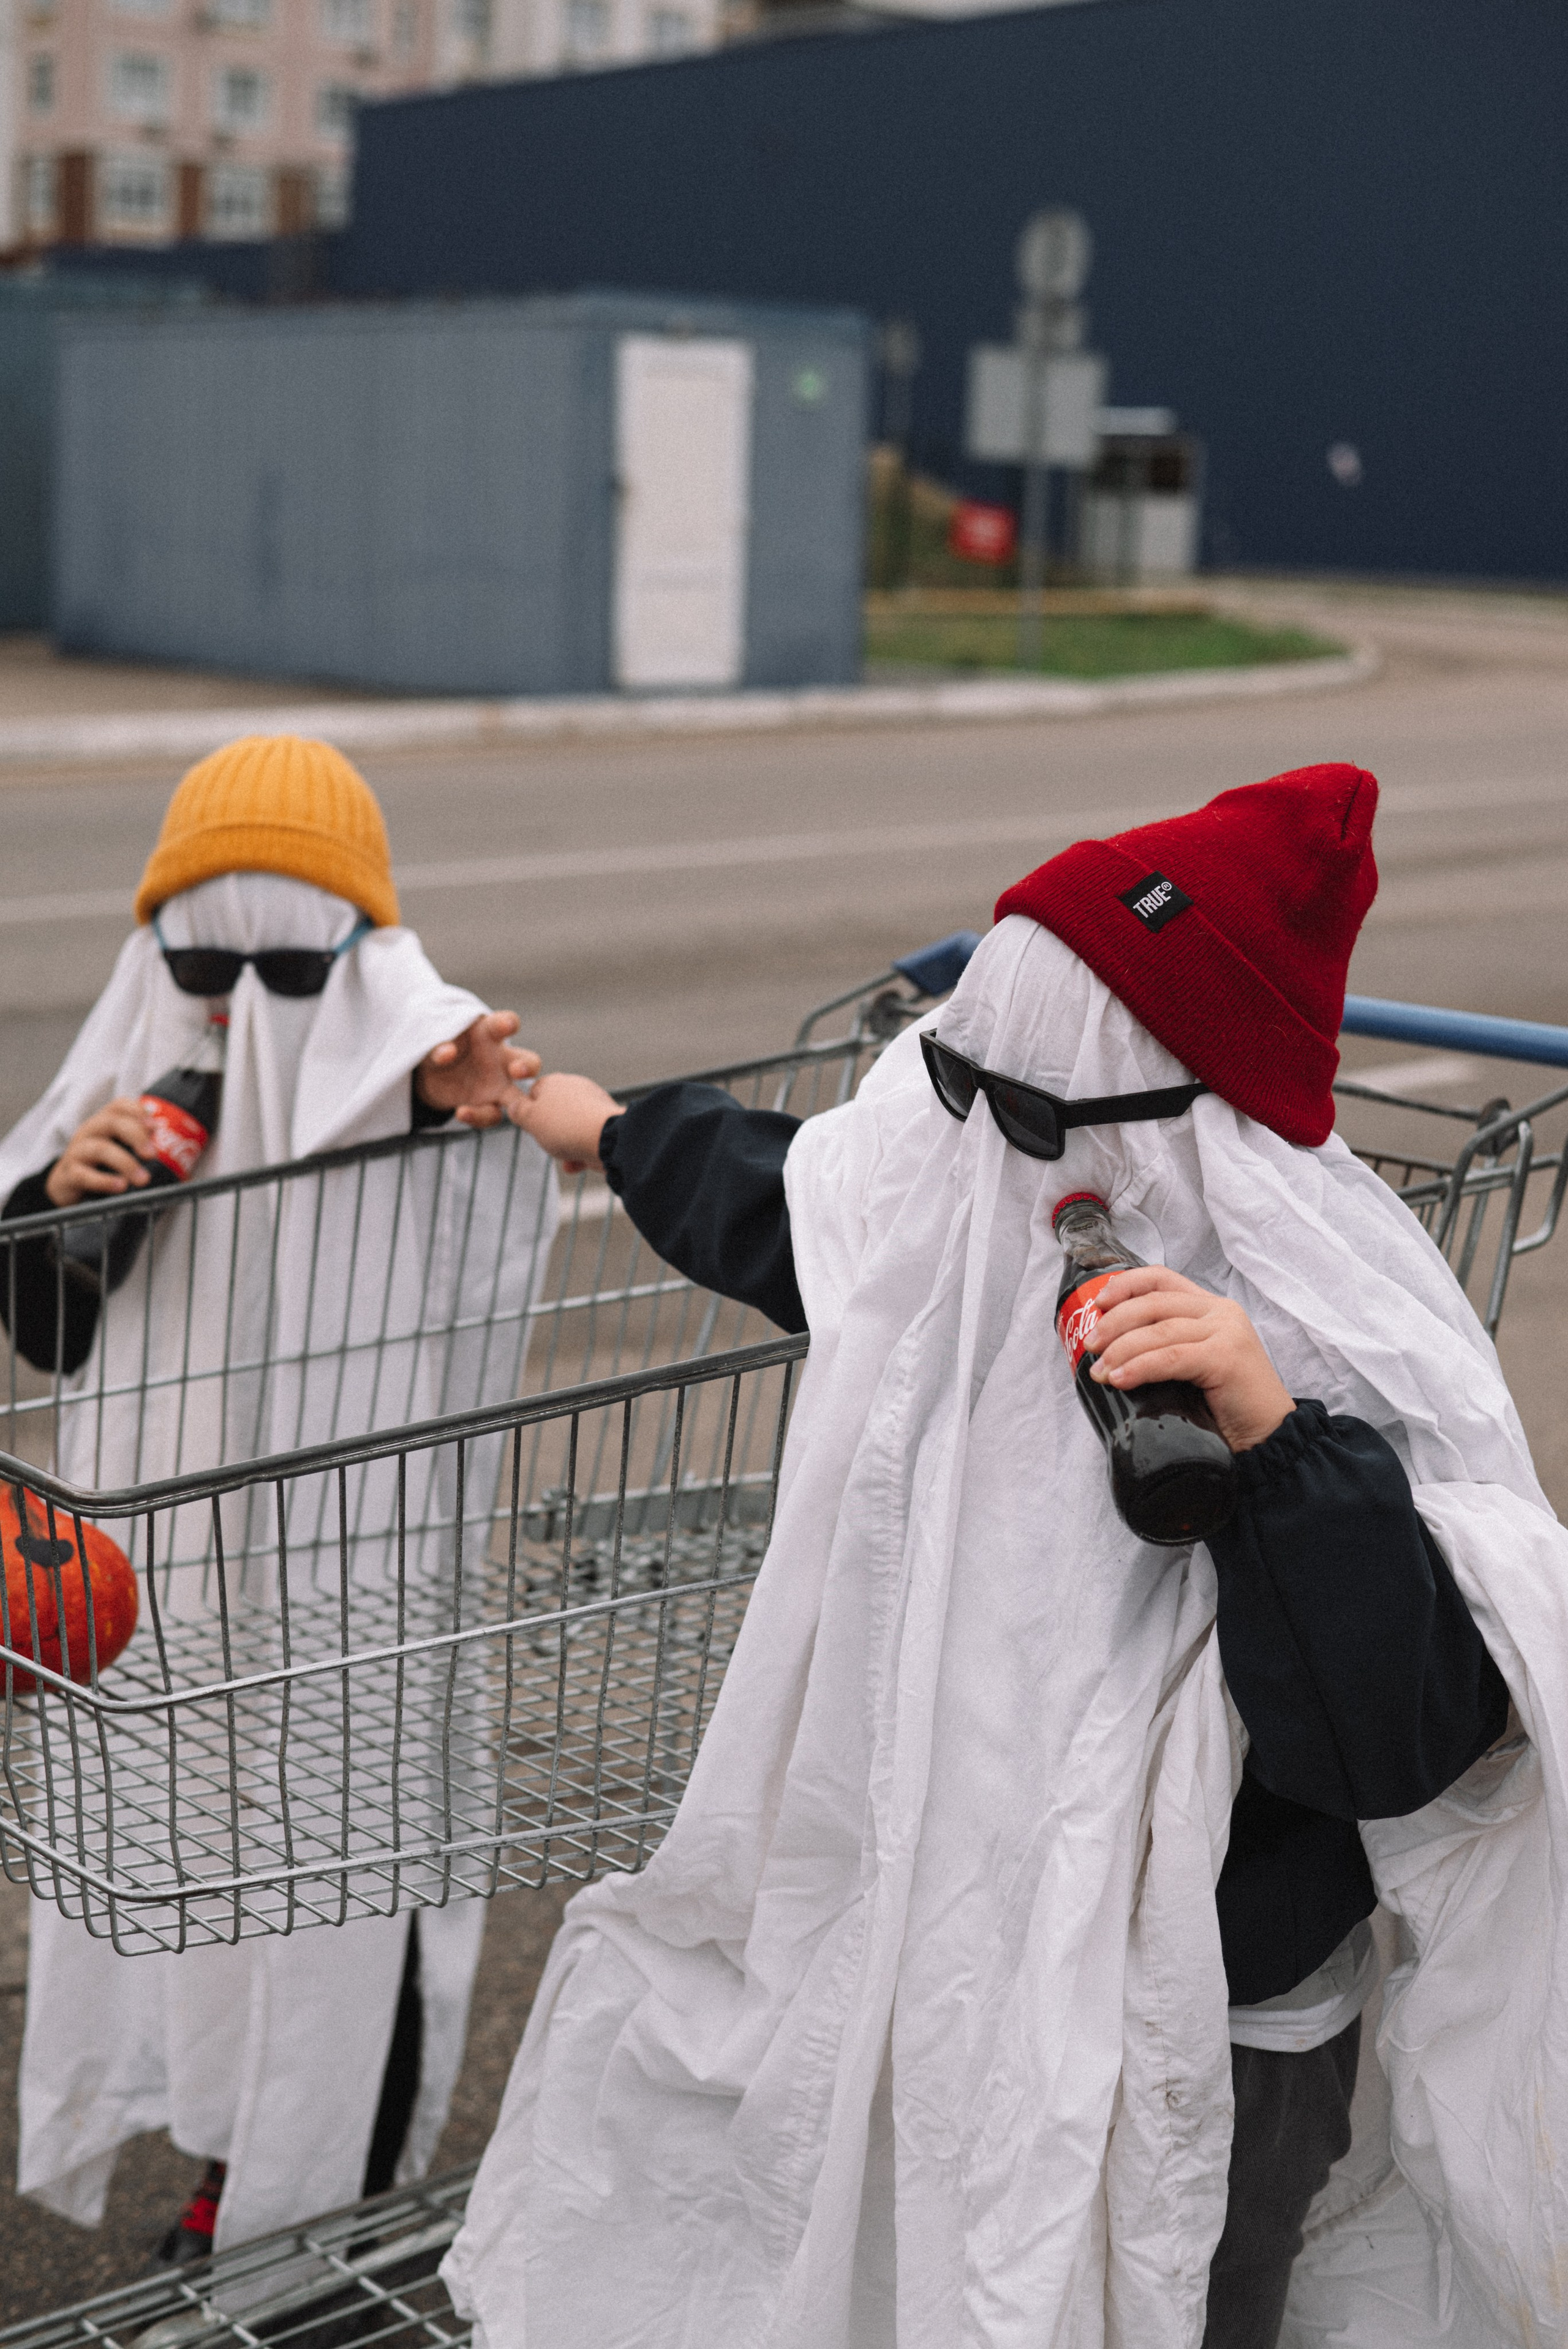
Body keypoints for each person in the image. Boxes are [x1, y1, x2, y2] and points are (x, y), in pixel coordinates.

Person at [442, 764, 1568, 2347]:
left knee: (1194, 2290)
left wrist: (1268, 1442)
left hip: (1220, 2015)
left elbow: (1407, 1730)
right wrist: (605, 1129)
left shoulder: (1321, 1340)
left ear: (1185, 1138)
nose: (964, 1143)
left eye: (1018, 1111)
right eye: (956, 1090)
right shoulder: (972, 1204)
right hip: (963, 1928)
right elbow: (798, 1207)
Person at [1, 734, 556, 2260]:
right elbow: (46, 1336)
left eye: (286, 962)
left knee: (338, 1865)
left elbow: (506, 1202)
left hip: (346, 1574)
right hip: (162, 1572)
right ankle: (222, 2148)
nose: (240, 1006)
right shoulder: (126, 1086)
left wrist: (453, 1108)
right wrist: (54, 1203)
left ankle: (316, 2200)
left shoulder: (418, 1065)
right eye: (202, 955)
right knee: (181, 1857)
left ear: (359, 953)